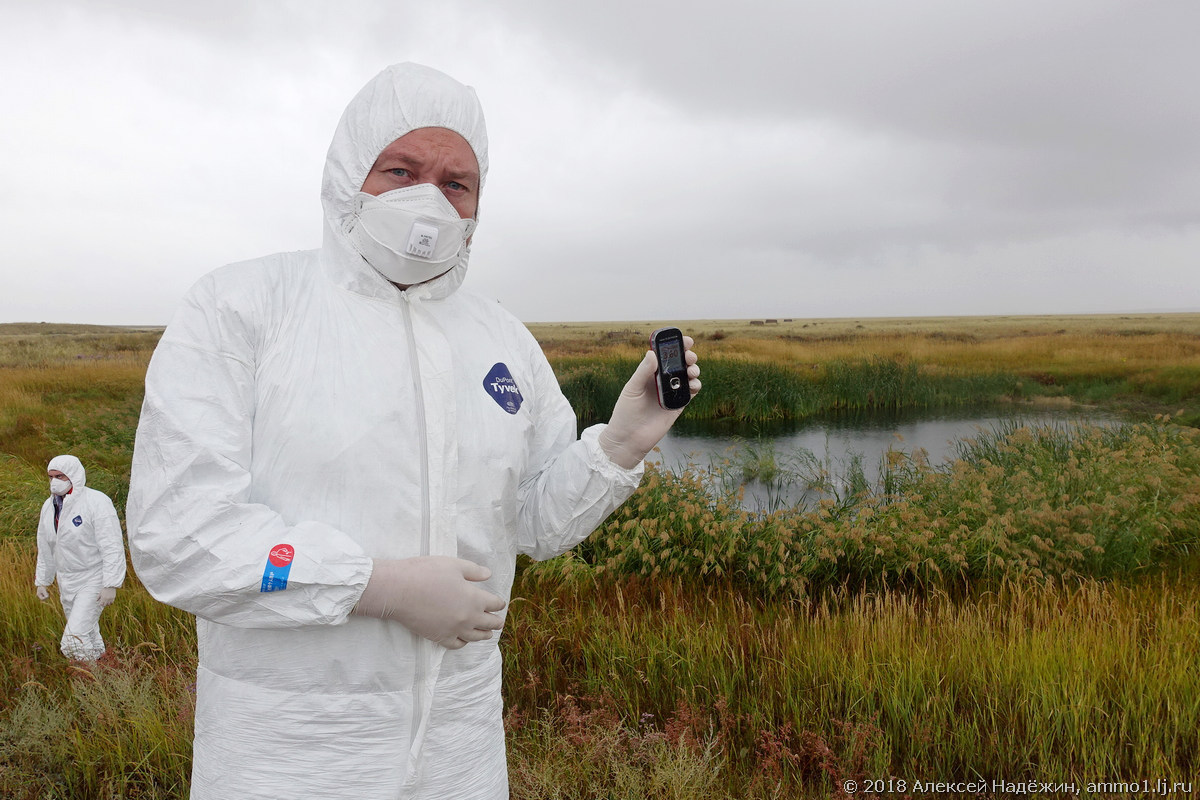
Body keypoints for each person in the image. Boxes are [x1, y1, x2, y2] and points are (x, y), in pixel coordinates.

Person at [126, 62, 700, 800]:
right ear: (347, 177)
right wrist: (378, 587)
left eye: (457, 182)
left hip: (460, 754)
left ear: (477, 207)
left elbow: (529, 521)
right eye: (400, 170)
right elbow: (181, 537)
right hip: (287, 755)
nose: (430, 197)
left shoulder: (501, 340)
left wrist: (620, 445)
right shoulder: (241, 310)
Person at [34, 454, 126, 661]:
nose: (54, 481)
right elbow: (46, 546)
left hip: (93, 577)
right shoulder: (49, 507)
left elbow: (111, 545)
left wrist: (111, 583)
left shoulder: (96, 502)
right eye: (51, 476)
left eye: (60, 476)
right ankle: (102, 679)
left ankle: (87, 679)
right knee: (89, 634)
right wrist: (43, 581)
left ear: (74, 475)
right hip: (66, 580)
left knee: (73, 641)